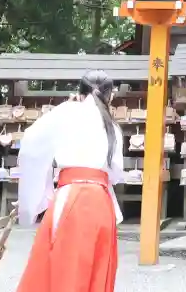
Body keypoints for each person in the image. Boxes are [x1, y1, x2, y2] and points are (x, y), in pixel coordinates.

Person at [14, 69, 124, 292]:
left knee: (64, 270)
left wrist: (35, 198)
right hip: (100, 200)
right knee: (97, 271)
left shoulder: (64, 112)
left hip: (70, 196)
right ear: (110, 96)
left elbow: (31, 146)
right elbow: (116, 172)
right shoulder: (112, 126)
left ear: (79, 91)